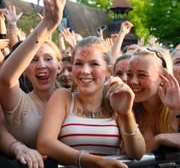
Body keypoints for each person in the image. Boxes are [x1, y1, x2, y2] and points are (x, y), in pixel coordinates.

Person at [37, 36, 145, 168]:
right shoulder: (63, 97)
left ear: (108, 71)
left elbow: (137, 153)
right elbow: (44, 143)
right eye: (78, 64)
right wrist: (97, 162)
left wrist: (126, 114)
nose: (85, 71)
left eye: (94, 64)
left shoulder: (116, 101)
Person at [0, 0, 70, 167]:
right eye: (33, 60)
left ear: (59, 66)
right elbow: (6, 79)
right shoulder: (19, 103)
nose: (41, 65)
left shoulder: (74, 96)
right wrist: (48, 23)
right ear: (23, 69)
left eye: (48, 59)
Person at [127, 47, 180, 152]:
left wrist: (178, 110)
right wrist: (157, 140)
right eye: (129, 74)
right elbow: (125, 156)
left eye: (142, 75)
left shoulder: (177, 105)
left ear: (163, 77)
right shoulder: (126, 108)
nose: (133, 81)